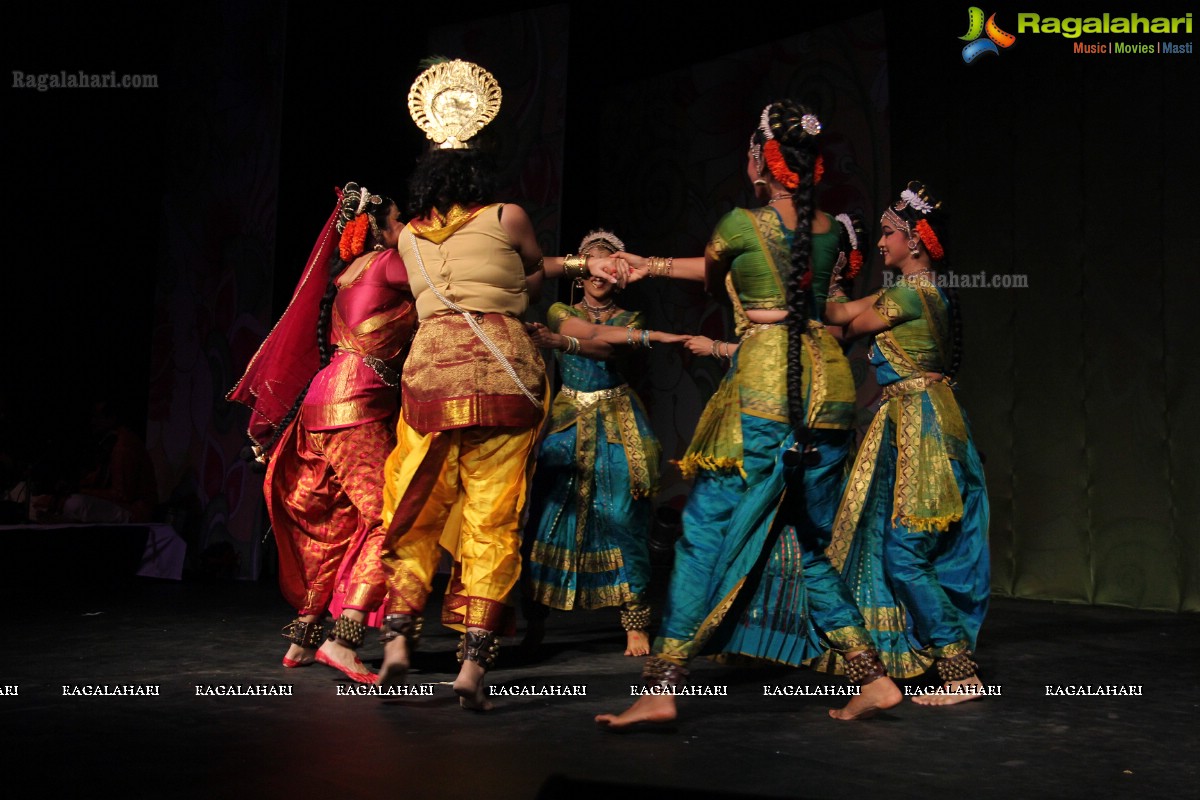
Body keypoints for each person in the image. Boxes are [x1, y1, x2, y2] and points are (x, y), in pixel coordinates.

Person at [595, 101, 900, 729]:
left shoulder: (741, 222)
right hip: (830, 390)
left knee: (704, 531)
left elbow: (709, 276)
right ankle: (872, 677)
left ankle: (661, 685)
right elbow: (823, 305)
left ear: (763, 159)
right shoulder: (830, 233)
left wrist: (641, 266)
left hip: (768, 390)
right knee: (808, 541)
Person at [375, 59, 618, 710]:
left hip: (427, 380)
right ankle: (471, 670)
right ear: (481, 168)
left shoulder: (407, 239)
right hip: (501, 377)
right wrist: (584, 264)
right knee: (492, 515)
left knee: (416, 506)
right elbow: (537, 271)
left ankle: (397, 641)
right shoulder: (507, 215)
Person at [228, 182, 417, 684]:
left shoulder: (347, 273)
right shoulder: (388, 264)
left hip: (322, 401)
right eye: (399, 221)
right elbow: (448, 286)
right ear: (377, 226)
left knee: (338, 520)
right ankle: (345, 637)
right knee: (390, 517)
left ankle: (303, 640)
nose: (406, 230)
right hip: (353, 402)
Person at [821, 180, 991, 705]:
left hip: (921, 423)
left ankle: (960, 671)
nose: (881, 244)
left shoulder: (911, 294)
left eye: (889, 234)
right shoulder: (916, 291)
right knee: (898, 543)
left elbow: (842, 323)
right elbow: (842, 318)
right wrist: (839, 281)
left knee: (905, 550)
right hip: (913, 417)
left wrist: (831, 279)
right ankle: (924, 658)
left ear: (914, 242)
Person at [521, 228, 690, 657]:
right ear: (581, 272)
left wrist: (561, 343)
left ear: (621, 274)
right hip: (568, 420)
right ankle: (534, 622)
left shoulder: (629, 321)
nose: (603, 271)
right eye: (595, 262)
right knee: (549, 514)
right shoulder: (560, 309)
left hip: (618, 419)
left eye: (613, 263)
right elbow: (577, 329)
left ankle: (635, 621)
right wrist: (563, 336)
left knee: (623, 515)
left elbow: (604, 349)